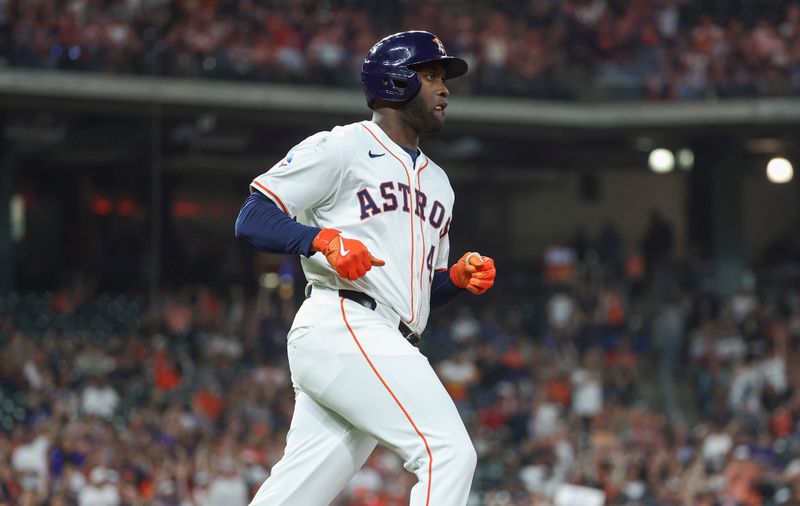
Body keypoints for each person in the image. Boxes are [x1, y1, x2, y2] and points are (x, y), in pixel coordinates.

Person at [234, 30, 496, 506]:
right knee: (449, 453)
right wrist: (320, 240)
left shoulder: (439, 184)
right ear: (396, 82)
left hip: (380, 337)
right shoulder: (342, 147)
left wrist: (453, 279)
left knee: (293, 495)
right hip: (345, 324)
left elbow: (413, 293)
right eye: (431, 75)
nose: (444, 89)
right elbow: (253, 216)